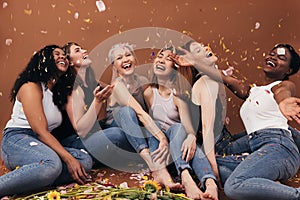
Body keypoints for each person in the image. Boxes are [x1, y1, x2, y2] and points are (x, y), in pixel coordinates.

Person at [175, 42, 300, 200]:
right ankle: (263, 183)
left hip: (278, 147)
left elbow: (283, 92)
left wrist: (283, 102)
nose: (273, 57)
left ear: (289, 70)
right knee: (203, 163)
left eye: (281, 57)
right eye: (272, 54)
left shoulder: (282, 85)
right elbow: (222, 77)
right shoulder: (252, 91)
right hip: (258, 144)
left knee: (234, 186)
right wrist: (194, 62)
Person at [0, 45, 93, 197]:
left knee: (84, 160)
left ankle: (36, 174)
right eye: (56, 54)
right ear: (42, 61)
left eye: (64, 55)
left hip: (41, 143)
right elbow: (41, 131)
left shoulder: (55, 93)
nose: (62, 56)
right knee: (53, 164)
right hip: (17, 139)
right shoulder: (31, 86)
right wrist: (68, 159)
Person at [103, 43, 182, 190]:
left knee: (153, 123)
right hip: (120, 132)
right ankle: (155, 167)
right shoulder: (117, 85)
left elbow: (150, 114)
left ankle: (162, 168)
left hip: (138, 132)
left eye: (128, 55)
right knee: (127, 111)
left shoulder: (143, 81)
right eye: (119, 58)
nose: (125, 59)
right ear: (114, 66)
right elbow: (139, 112)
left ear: (134, 59)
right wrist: (161, 137)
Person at [143, 45, 218, 199]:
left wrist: (191, 137)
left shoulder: (177, 96)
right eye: (160, 56)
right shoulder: (149, 92)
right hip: (160, 149)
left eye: (167, 59)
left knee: (180, 131)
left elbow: (188, 129)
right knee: (152, 125)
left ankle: (209, 183)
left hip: (179, 147)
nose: (161, 60)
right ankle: (187, 177)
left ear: (174, 68)